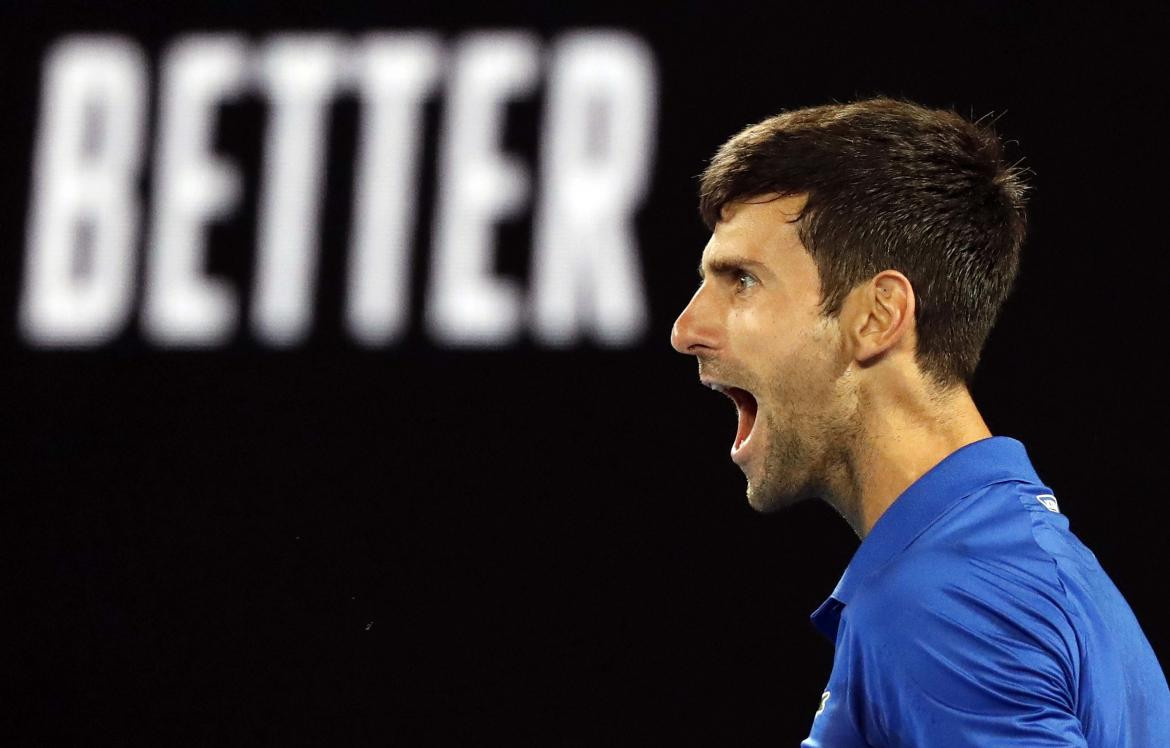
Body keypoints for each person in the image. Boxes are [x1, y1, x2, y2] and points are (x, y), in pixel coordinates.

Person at [670, 98, 1170, 746]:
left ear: (877, 317)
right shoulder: (984, 566)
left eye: (741, 279)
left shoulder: (948, 605)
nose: (687, 330)